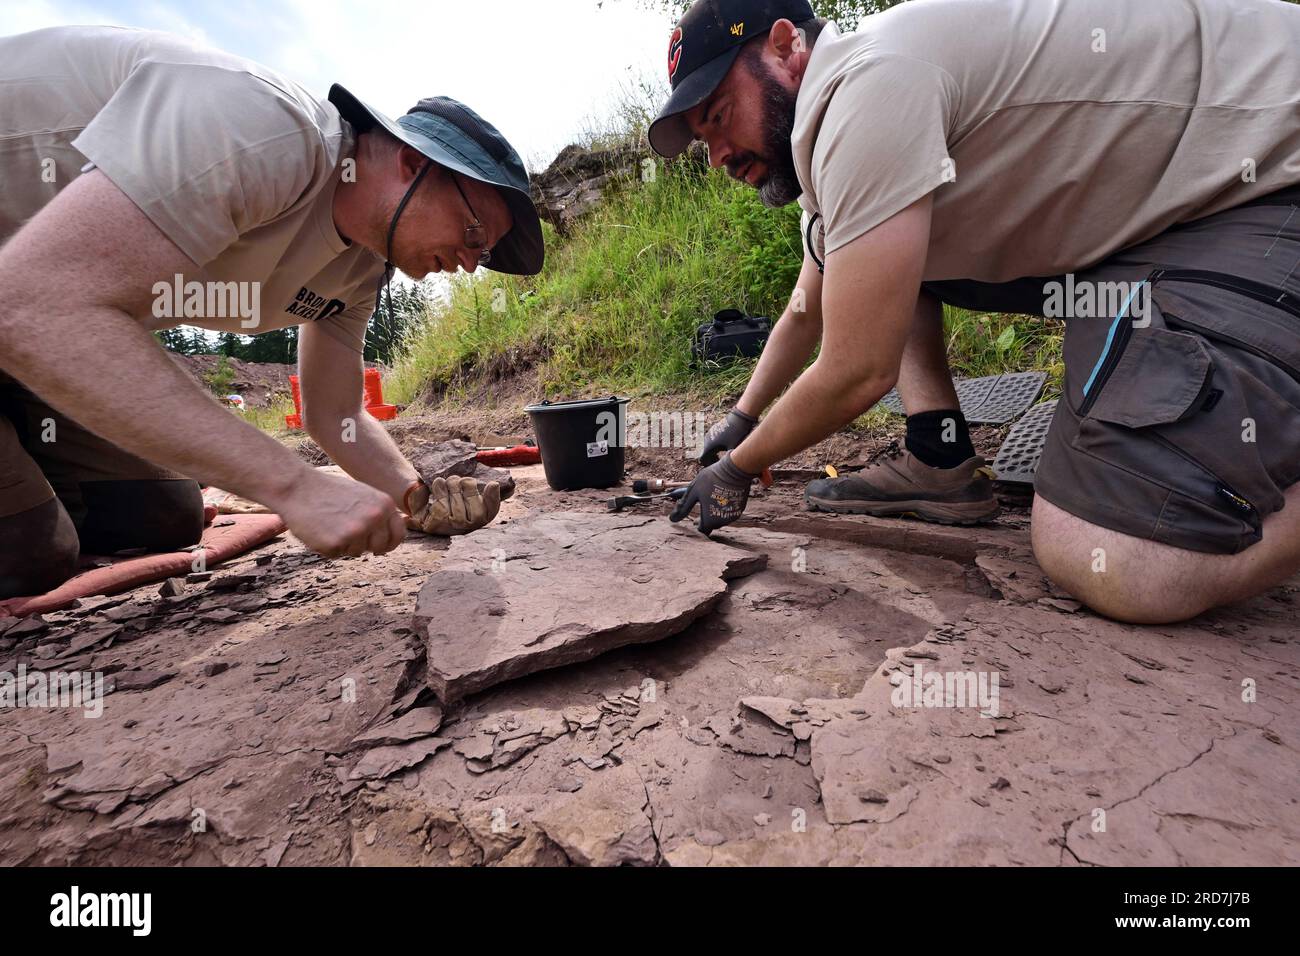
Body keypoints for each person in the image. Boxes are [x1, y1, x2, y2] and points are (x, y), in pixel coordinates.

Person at [652, 0, 1300, 623]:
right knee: (881, 265)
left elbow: (856, 369)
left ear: (787, 46)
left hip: (1264, 175)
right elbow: (807, 308)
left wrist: (734, 472)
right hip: (1160, 211)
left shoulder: (870, 88)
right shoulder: (843, 134)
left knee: (1119, 560)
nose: (717, 156)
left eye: (718, 116)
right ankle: (940, 459)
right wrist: (740, 421)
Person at [0, 25, 544, 599]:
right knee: (31, 550)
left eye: (481, 254)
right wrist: (293, 486)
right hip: (32, 311)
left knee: (159, 516)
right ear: (412, 162)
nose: (467, 262)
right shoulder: (263, 127)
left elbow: (337, 414)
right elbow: (36, 304)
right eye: (473, 230)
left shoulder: (362, 265)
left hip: (34, 335)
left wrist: (417, 498)